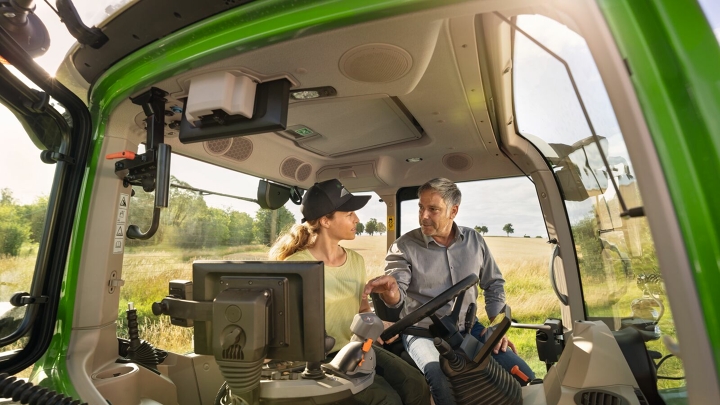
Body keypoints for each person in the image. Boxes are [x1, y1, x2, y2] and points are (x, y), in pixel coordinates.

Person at [364, 178, 535, 405]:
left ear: (453, 211)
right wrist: (392, 292)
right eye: (421, 207)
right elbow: (397, 292)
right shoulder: (404, 246)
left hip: (468, 328)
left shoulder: (474, 240)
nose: (424, 215)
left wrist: (495, 327)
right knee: (439, 376)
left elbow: (494, 284)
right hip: (422, 332)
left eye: (433, 209)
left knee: (522, 374)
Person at [269, 179, 430, 405]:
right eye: (349, 214)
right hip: (316, 361)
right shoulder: (294, 268)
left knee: (415, 383)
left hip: (357, 346)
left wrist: (380, 324)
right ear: (326, 220)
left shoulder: (356, 261)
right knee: (387, 400)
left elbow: (362, 309)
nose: (357, 219)